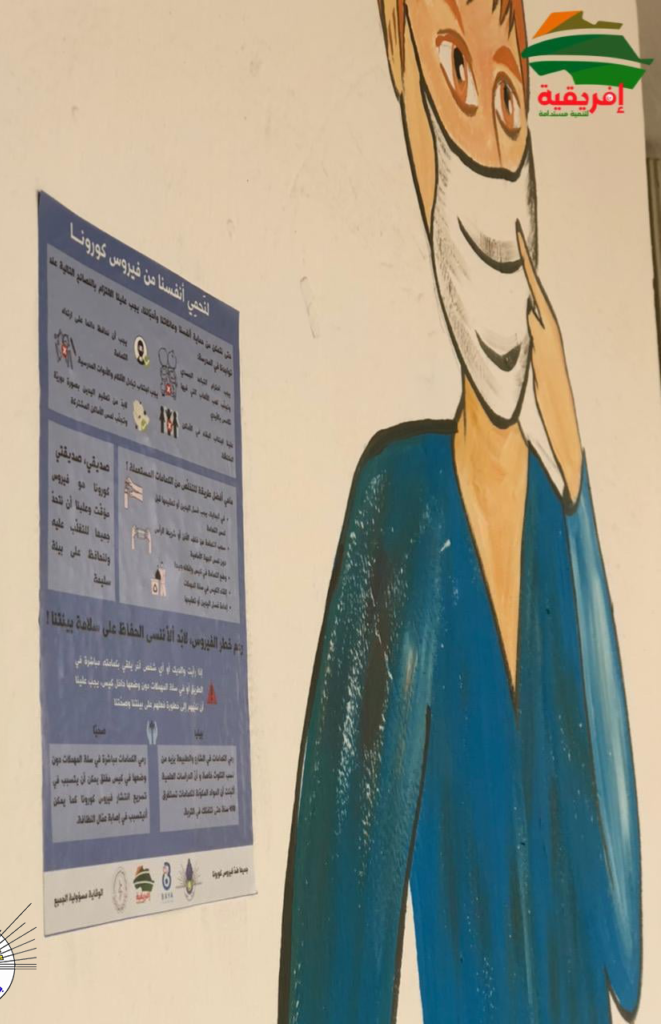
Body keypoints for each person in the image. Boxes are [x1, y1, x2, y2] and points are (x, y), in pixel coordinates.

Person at [277, 1, 641, 1021]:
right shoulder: (399, 505)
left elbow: (622, 937)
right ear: (404, 70)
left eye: (509, 96)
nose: (488, 129)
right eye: (454, 71)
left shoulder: (558, 527)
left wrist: (575, 474)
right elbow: (333, 955)